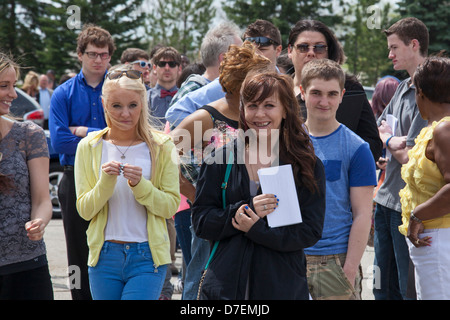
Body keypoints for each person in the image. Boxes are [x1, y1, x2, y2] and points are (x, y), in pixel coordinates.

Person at [192, 71, 326, 300]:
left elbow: (309, 232)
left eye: (269, 105)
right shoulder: (220, 159)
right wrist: (243, 211)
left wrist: (258, 230)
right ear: (242, 110)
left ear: (285, 110)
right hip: (225, 288)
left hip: (281, 286)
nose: (259, 114)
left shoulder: (305, 165)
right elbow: (201, 222)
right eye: (252, 105)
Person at [171, 42, 274, 300]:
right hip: (214, 220)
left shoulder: (262, 116)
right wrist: (194, 194)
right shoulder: (205, 118)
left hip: (261, 218)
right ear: (242, 84)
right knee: (201, 282)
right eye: (260, 79)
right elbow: (167, 160)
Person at [74, 67, 180, 300]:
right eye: (116, 106)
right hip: (104, 256)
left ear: (143, 103)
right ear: (103, 104)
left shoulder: (162, 146)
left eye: (132, 105)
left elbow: (171, 207)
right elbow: (84, 210)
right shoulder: (89, 146)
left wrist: (141, 185)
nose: (125, 114)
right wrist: (105, 183)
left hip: (147, 256)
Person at [300, 59, 376, 300]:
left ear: (342, 95)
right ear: (302, 93)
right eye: (316, 93)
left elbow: (363, 213)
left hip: (335, 260)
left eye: (332, 94)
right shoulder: (286, 142)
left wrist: (350, 268)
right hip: (291, 255)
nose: (324, 101)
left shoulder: (357, 148)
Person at [49, 24, 116, 300]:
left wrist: (83, 132)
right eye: (92, 54)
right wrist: (101, 138)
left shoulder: (118, 91)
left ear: (110, 56)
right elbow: (60, 142)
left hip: (114, 175)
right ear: (80, 55)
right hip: (73, 175)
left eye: (103, 54)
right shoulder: (63, 94)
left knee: (113, 245)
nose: (98, 59)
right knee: (78, 250)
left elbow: (129, 133)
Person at [373, 17, 428, 300]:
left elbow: (410, 156)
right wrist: (392, 139)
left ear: (414, 44)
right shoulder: (402, 87)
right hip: (384, 199)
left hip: (406, 206)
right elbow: (381, 129)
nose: (389, 54)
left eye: (394, 47)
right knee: (381, 286)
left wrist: (390, 140)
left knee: (405, 290)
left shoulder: (429, 91)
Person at [287, 19, 382, 162]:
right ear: (290, 51)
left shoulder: (349, 88)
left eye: (319, 47)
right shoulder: (278, 89)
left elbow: (373, 144)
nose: (311, 53)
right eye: (303, 47)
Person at [0, 53, 53, 299]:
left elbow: (42, 199)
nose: (13, 94)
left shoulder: (29, 135)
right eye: (4, 86)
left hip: (27, 264)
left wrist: (39, 222)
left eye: (14, 85)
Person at [398, 56, 450, 300]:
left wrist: (418, 215)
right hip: (434, 237)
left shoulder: (444, 129)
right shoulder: (437, 127)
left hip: (439, 237)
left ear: (420, 92)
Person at [165, 21, 242, 128]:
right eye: (240, 53)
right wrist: (214, 137)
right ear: (225, 58)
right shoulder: (194, 87)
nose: (246, 57)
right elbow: (174, 119)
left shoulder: (233, 88)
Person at [147, 46, 181, 129]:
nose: (167, 68)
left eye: (172, 64)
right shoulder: (145, 97)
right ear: (154, 68)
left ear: (179, 69)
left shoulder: (185, 97)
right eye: (162, 64)